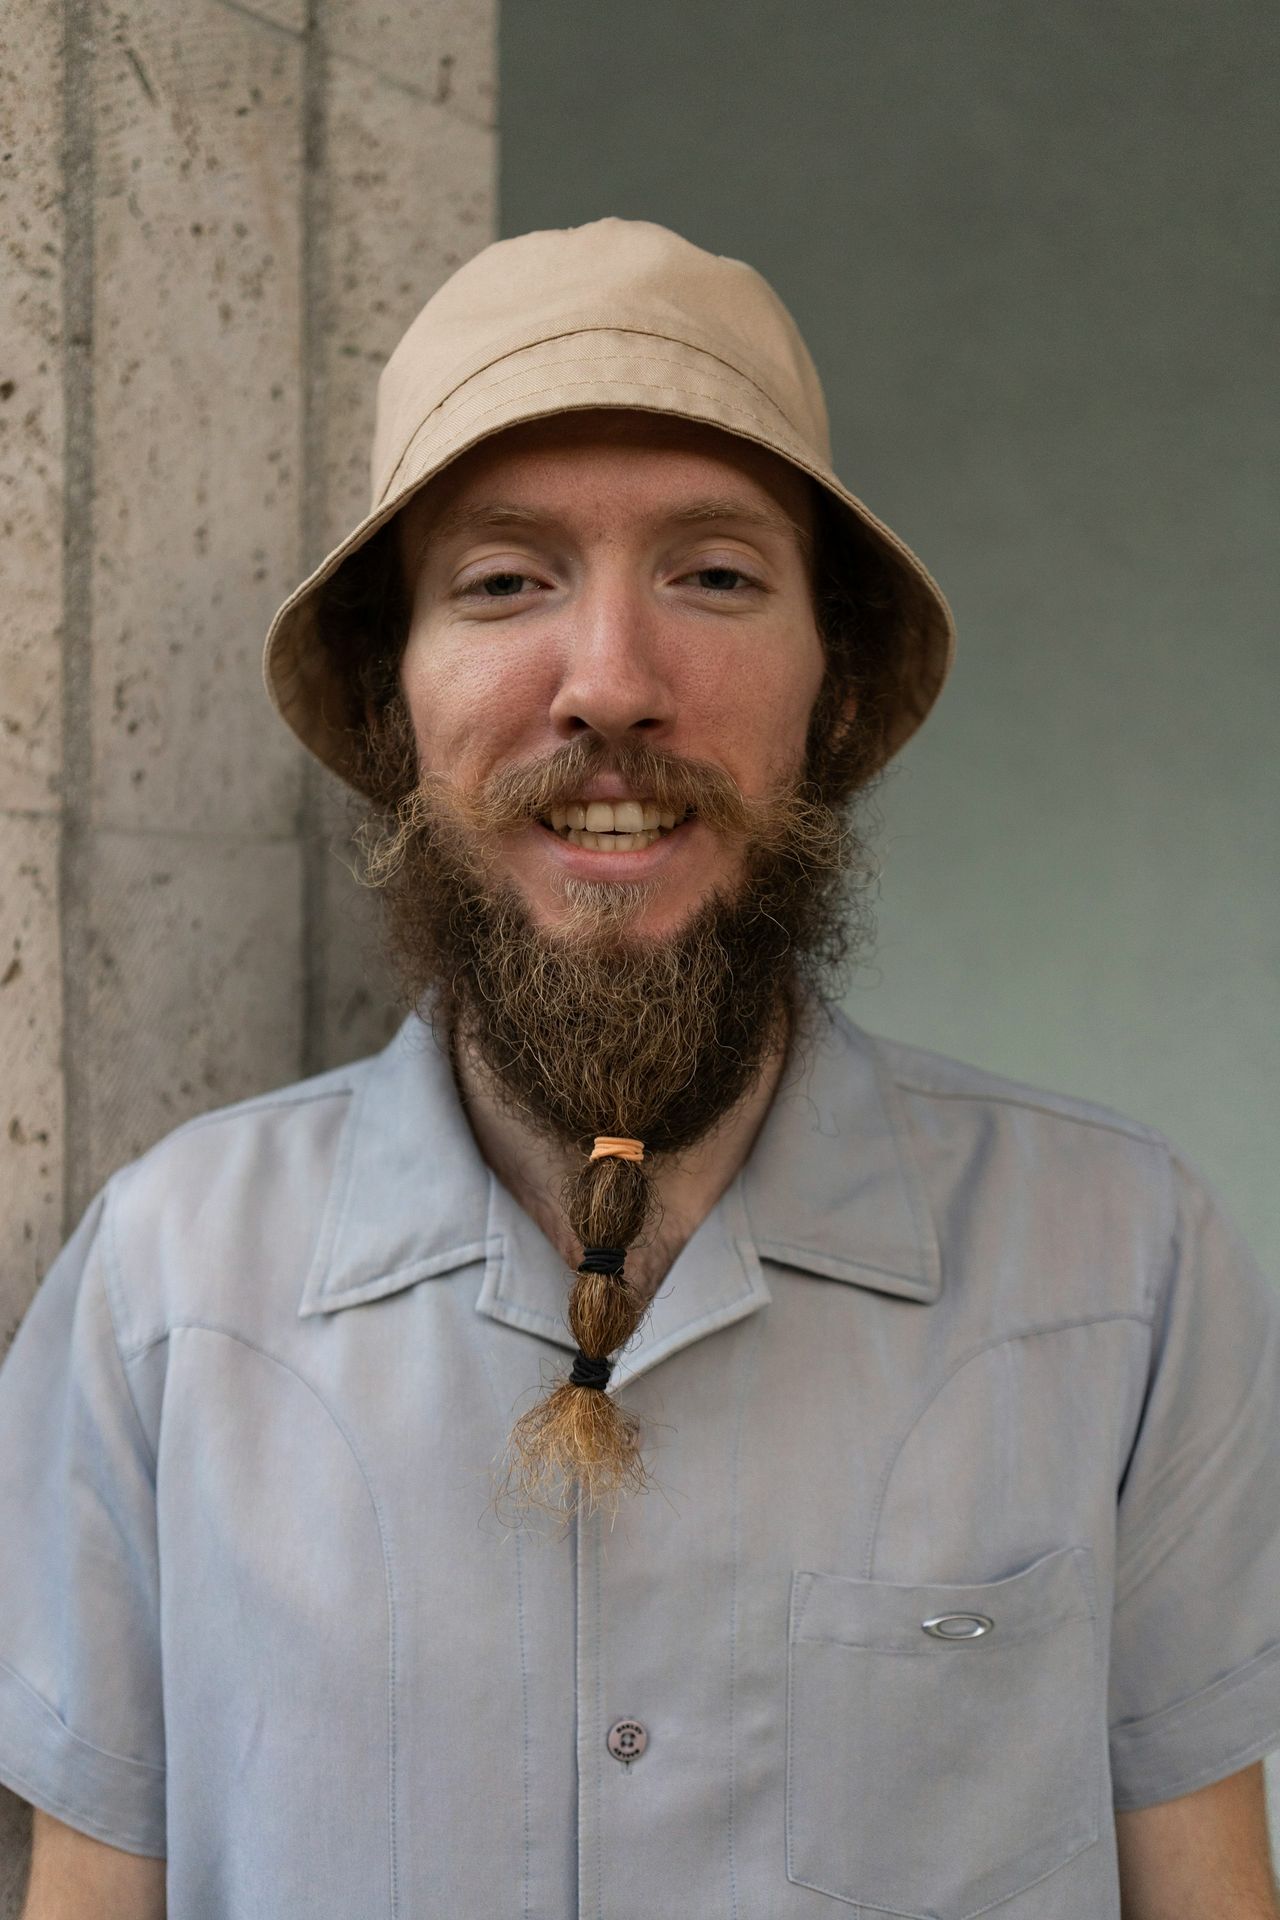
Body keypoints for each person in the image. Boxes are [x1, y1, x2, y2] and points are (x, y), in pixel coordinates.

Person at [2, 217, 1278, 1920]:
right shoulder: (169, 1286)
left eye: (716, 574)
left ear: (833, 696)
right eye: (506, 580)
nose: (609, 684)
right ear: (395, 709)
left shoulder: (1125, 1268)